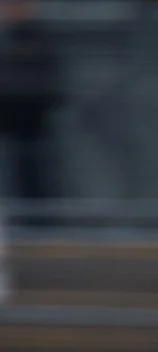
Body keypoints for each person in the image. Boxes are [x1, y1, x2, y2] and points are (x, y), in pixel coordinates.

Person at [0, 0, 61, 217]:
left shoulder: (39, 37)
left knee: (35, 179)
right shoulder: (7, 38)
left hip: (34, 121)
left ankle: (39, 225)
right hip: (9, 121)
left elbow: (49, 81)